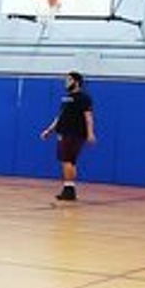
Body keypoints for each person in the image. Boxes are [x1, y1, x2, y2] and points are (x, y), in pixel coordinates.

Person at [39, 71, 95, 201]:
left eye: (68, 80)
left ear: (76, 82)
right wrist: (49, 130)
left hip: (74, 133)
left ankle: (69, 190)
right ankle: (69, 189)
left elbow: (88, 116)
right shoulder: (66, 98)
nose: (66, 82)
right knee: (68, 161)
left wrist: (90, 133)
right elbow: (60, 116)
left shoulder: (83, 98)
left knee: (67, 160)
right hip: (63, 133)